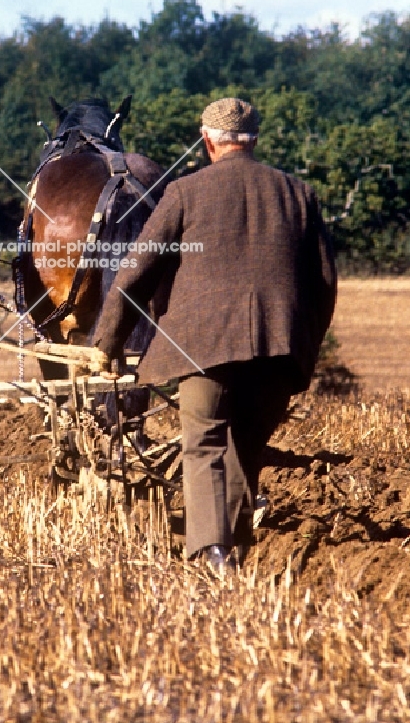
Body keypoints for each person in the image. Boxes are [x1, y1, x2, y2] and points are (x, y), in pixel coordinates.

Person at [94, 97, 336, 574]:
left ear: (207, 142)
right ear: (255, 140)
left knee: (204, 443)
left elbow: (135, 273)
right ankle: (235, 551)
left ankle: (210, 552)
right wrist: (303, 346)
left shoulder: (185, 192)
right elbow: (324, 285)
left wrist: (108, 344)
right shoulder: (298, 193)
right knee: (246, 445)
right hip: (277, 346)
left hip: (202, 346)